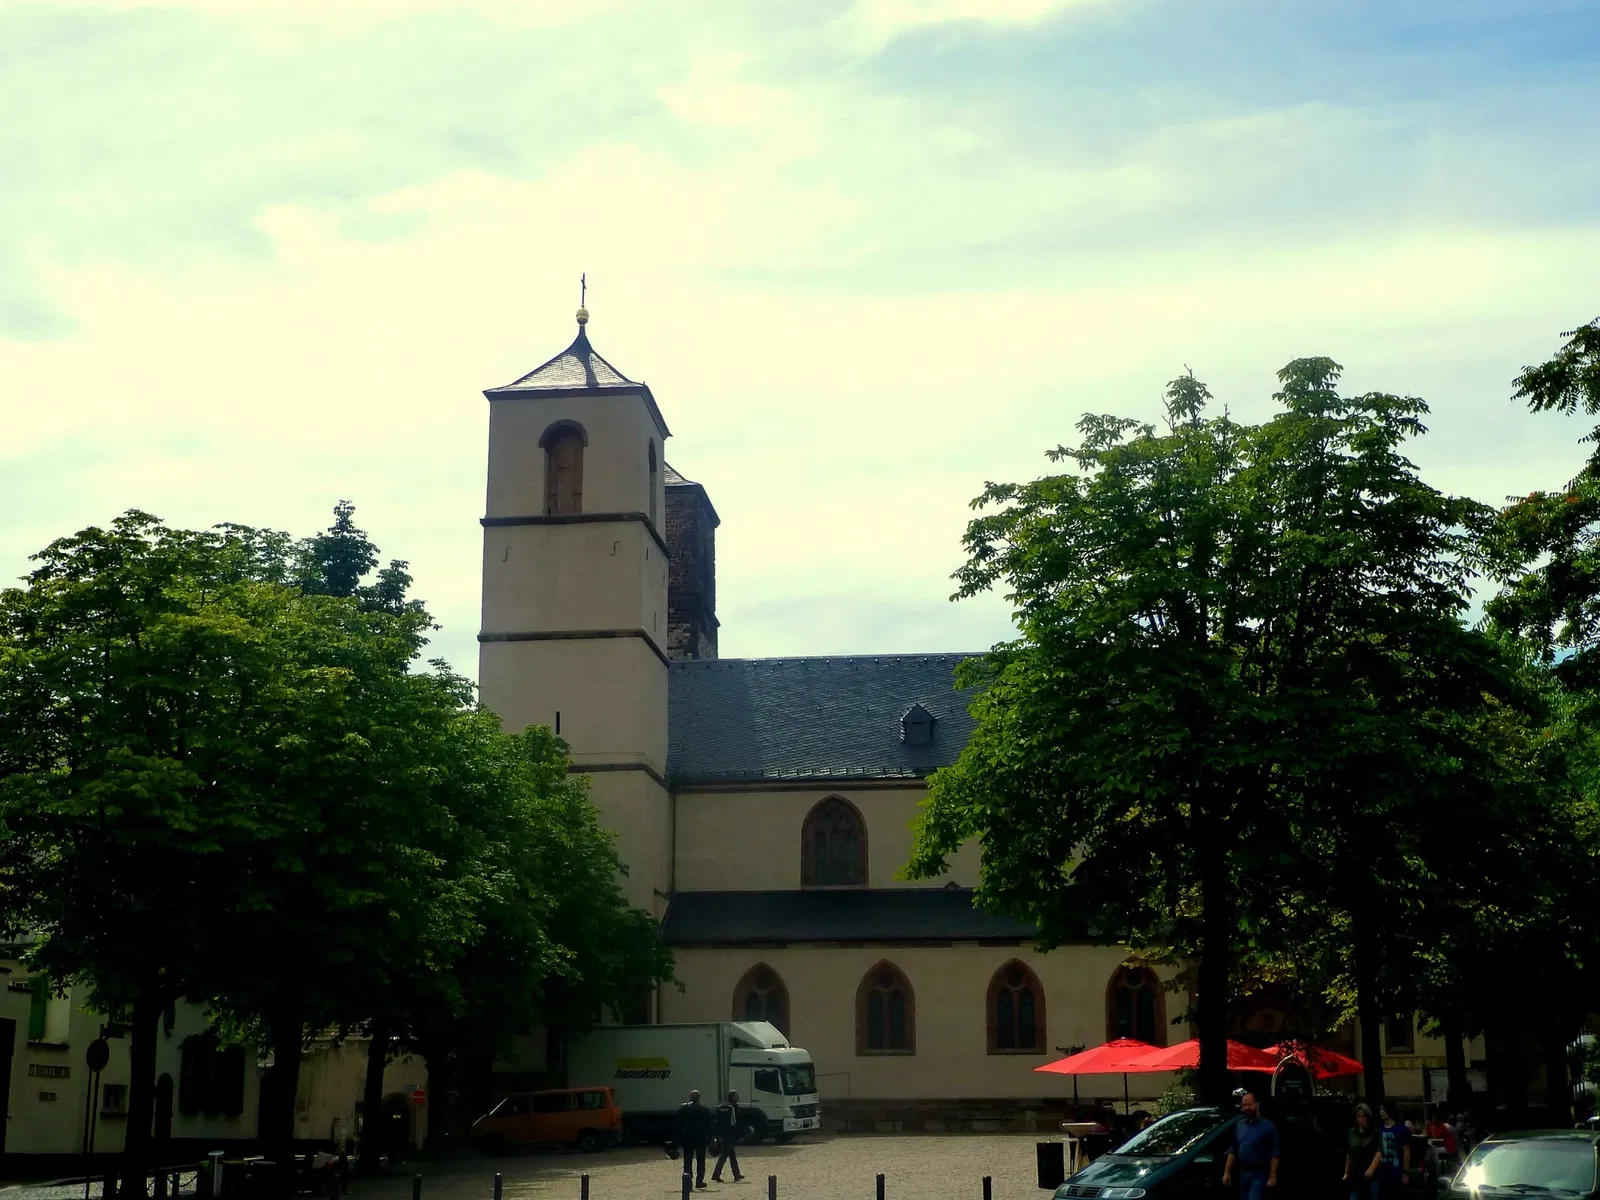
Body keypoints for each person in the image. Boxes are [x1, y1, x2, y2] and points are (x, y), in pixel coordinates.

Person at [1222, 1092, 1280, 1198]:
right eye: (1244, 1105)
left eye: (1249, 1104)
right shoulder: (1240, 1125)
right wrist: (1227, 1172)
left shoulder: (1268, 1126)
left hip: (1259, 1174)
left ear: (1257, 1105)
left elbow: (1275, 1153)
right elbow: (1233, 1150)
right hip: (1243, 1174)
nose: (1246, 1108)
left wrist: (1273, 1176)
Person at [677, 1089, 714, 1190]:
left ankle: (688, 1183)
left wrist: (679, 1138)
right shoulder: (704, 1110)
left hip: (688, 1138)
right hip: (700, 1138)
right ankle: (699, 1181)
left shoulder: (683, 1109)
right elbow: (709, 1126)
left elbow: (678, 1124)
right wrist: (709, 1138)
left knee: (687, 1162)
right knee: (700, 1161)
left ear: (690, 1097)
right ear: (699, 1098)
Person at [1344, 1103, 1381, 1200]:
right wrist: (1346, 1172)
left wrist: (1371, 1169)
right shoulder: (1351, 1132)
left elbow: (1379, 1152)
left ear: (1368, 1117)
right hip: (1355, 1175)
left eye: (1363, 1116)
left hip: (1371, 1176)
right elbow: (1349, 1153)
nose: (1361, 1119)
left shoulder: (1374, 1131)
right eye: (1359, 1116)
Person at [711, 1090, 745, 1184]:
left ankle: (736, 1174)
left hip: (722, 1133)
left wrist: (717, 1134)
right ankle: (716, 1175)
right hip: (730, 1134)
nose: (738, 1097)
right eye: (736, 1095)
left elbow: (716, 1122)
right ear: (733, 1097)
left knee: (731, 1154)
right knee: (724, 1155)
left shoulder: (721, 1107)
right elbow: (735, 1122)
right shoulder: (734, 1107)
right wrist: (738, 1134)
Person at [1377, 1103, 1411, 1197]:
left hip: (1397, 1172)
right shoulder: (1379, 1129)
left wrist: (1405, 1172)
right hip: (1383, 1172)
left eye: (1384, 1109)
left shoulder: (1401, 1129)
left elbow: (1406, 1151)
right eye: (1380, 1109)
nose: (1382, 1112)